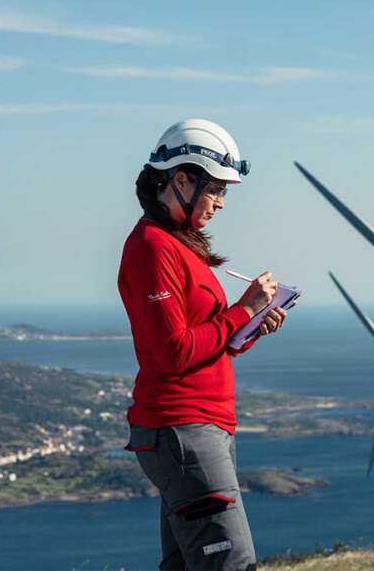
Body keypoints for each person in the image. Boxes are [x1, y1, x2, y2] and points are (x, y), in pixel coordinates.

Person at [118, 118, 287, 571]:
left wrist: (250, 328)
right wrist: (244, 310)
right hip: (183, 429)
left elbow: (202, 343)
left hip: (200, 429)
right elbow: (173, 352)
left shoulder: (177, 246)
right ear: (181, 178)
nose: (220, 203)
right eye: (216, 189)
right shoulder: (153, 249)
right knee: (231, 564)